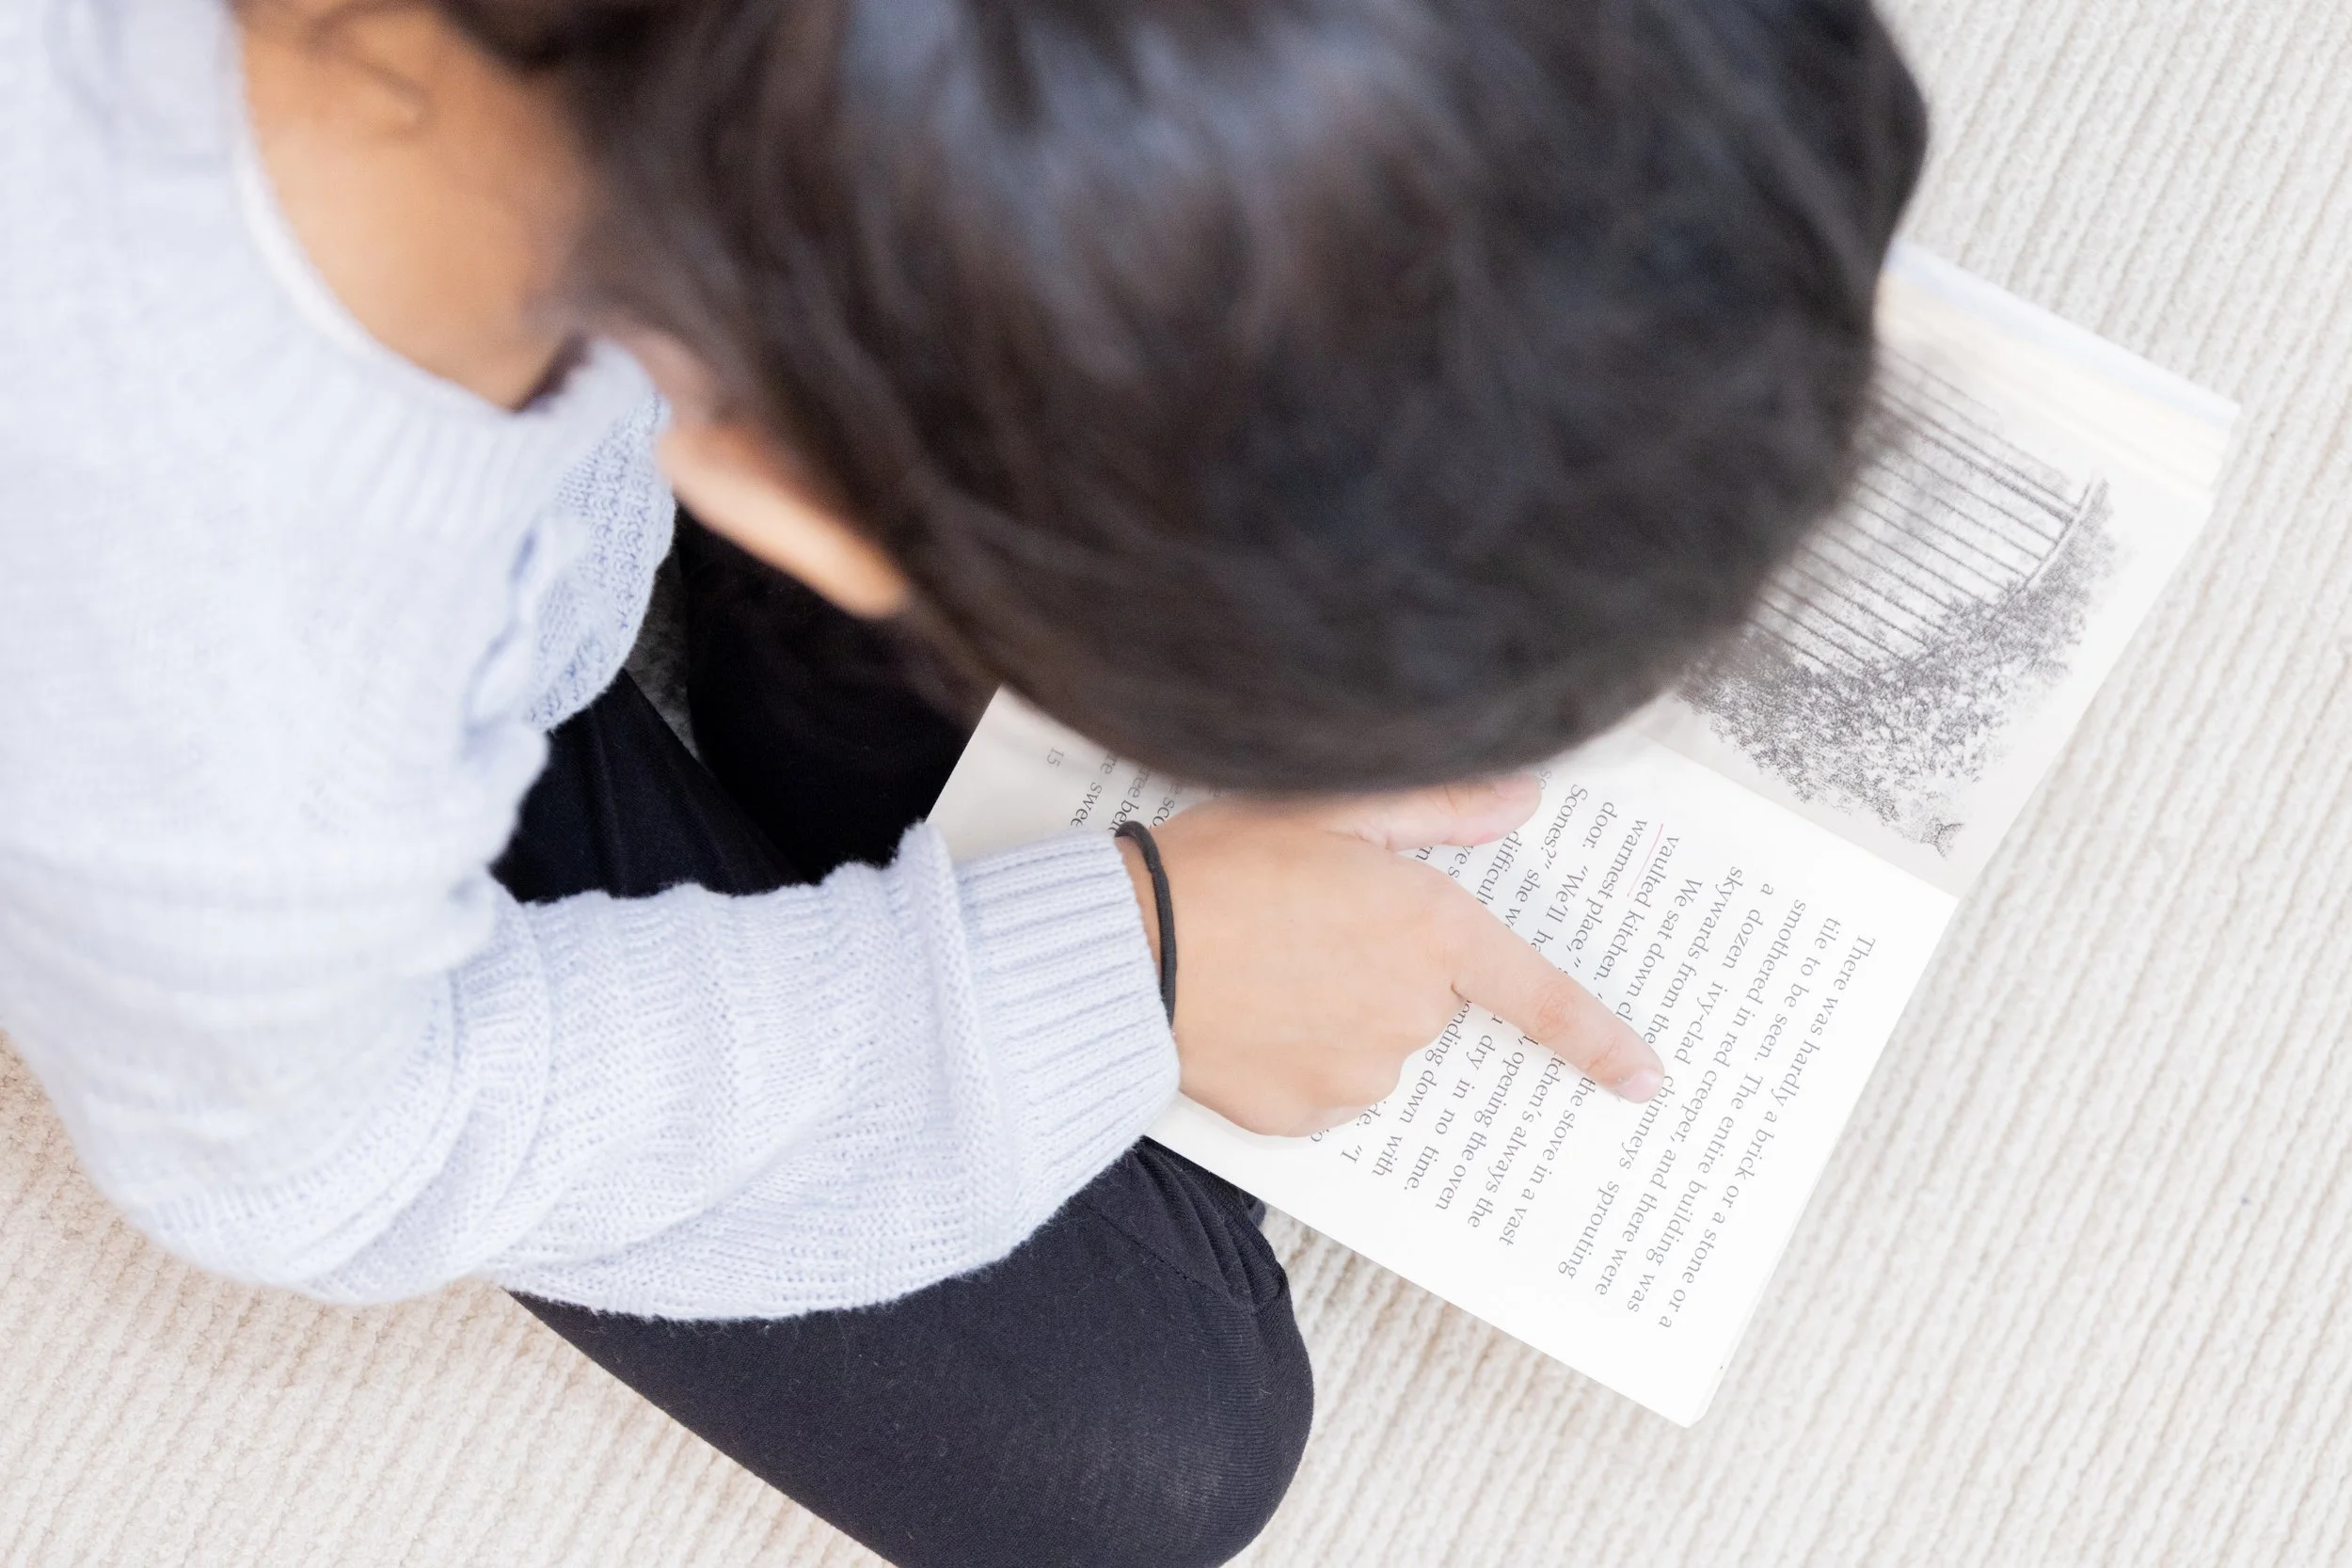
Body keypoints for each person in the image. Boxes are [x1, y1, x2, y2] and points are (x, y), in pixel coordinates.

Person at [0, 0, 1925, 1561]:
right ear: (784, 493)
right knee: (1151, 1437)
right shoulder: (219, 717)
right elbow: (305, 1160)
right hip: (284, 709)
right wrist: (1128, 964)